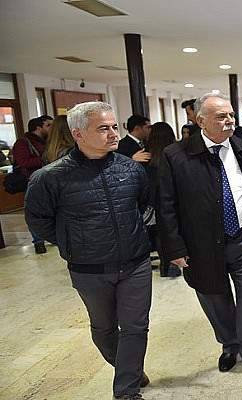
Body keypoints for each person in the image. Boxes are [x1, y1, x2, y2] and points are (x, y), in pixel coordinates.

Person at [24, 102, 151, 400]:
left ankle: (126, 389)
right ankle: (127, 367)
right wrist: (72, 241)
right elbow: (38, 220)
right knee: (105, 329)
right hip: (89, 269)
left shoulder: (131, 169)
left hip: (135, 263)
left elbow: (144, 205)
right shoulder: (49, 177)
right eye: (103, 128)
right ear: (78, 134)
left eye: (114, 127)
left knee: (135, 326)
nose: (112, 134)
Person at [158, 93, 242, 376]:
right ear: (200, 120)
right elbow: (166, 204)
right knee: (213, 295)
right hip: (201, 244)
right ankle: (229, 345)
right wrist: (174, 248)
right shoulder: (175, 156)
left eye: (231, 115)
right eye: (221, 116)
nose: (229, 121)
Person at [144, 122, 181, 278]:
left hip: (154, 201)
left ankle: (166, 265)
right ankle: (177, 261)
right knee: (175, 230)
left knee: (160, 233)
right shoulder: (176, 152)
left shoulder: (145, 155)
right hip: (176, 198)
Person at [14, 114, 52, 254]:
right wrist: (45, 159)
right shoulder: (23, 143)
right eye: (48, 125)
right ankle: (38, 241)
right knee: (34, 211)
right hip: (31, 181)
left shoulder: (46, 141)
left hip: (48, 180)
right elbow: (23, 162)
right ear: (38, 127)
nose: (51, 129)